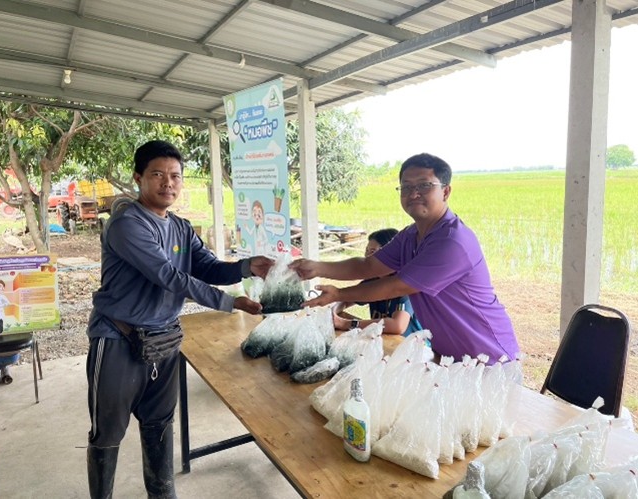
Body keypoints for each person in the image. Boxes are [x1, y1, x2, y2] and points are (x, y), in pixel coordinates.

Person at [85, 140, 272, 499]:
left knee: (159, 423)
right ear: (138, 178)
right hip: (118, 339)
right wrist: (228, 302)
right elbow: (169, 276)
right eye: (157, 174)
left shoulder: (182, 228)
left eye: (175, 176)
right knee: (107, 432)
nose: (168, 183)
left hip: (165, 340)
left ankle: (162, 493)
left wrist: (248, 266)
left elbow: (209, 268)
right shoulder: (127, 224)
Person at [291, 153, 519, 364]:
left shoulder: (452, 241)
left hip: (490, 358)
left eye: (424, 185)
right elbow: (369, 266)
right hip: (449, 357)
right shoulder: (410, 235)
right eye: (406, 187)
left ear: (446, 191)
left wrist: (339, 294)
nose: (413, 193)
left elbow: (396, 286)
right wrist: (317, 267)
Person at [332, 228, 422, 336]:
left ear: (391, 254)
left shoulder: (405, 285)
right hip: (384, 341)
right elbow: (346, 300)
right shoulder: (373, 280)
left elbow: (397, 325)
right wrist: (333, 312)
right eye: (367, 251)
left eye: (372, 252)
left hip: (409, 344)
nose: (367, 257)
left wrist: (347, 323)